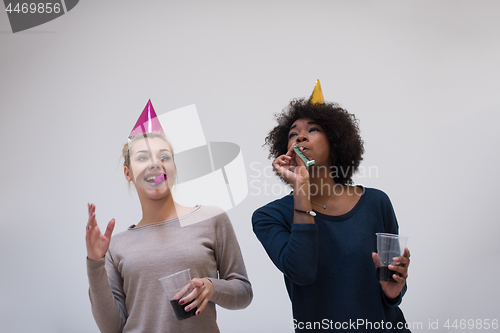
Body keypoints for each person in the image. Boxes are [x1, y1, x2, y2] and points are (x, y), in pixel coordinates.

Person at [252, 81, 411, 332]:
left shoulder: (376, 203)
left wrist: (393, 292)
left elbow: (392, 285)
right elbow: (303, 272)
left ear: (336, 141)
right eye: (293, 134)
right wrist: (301, 189)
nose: (300, 136)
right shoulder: (269, 217)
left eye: (313, 129)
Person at [86, 101, 252, 333]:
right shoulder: (115, 246)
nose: (155, 163)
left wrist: (211, 287)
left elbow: (243, 292)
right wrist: (95, 264)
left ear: (174, 167)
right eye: (142, 158)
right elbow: (112, 328)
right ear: (128, 173)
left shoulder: (211, 219)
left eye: (163, 156)